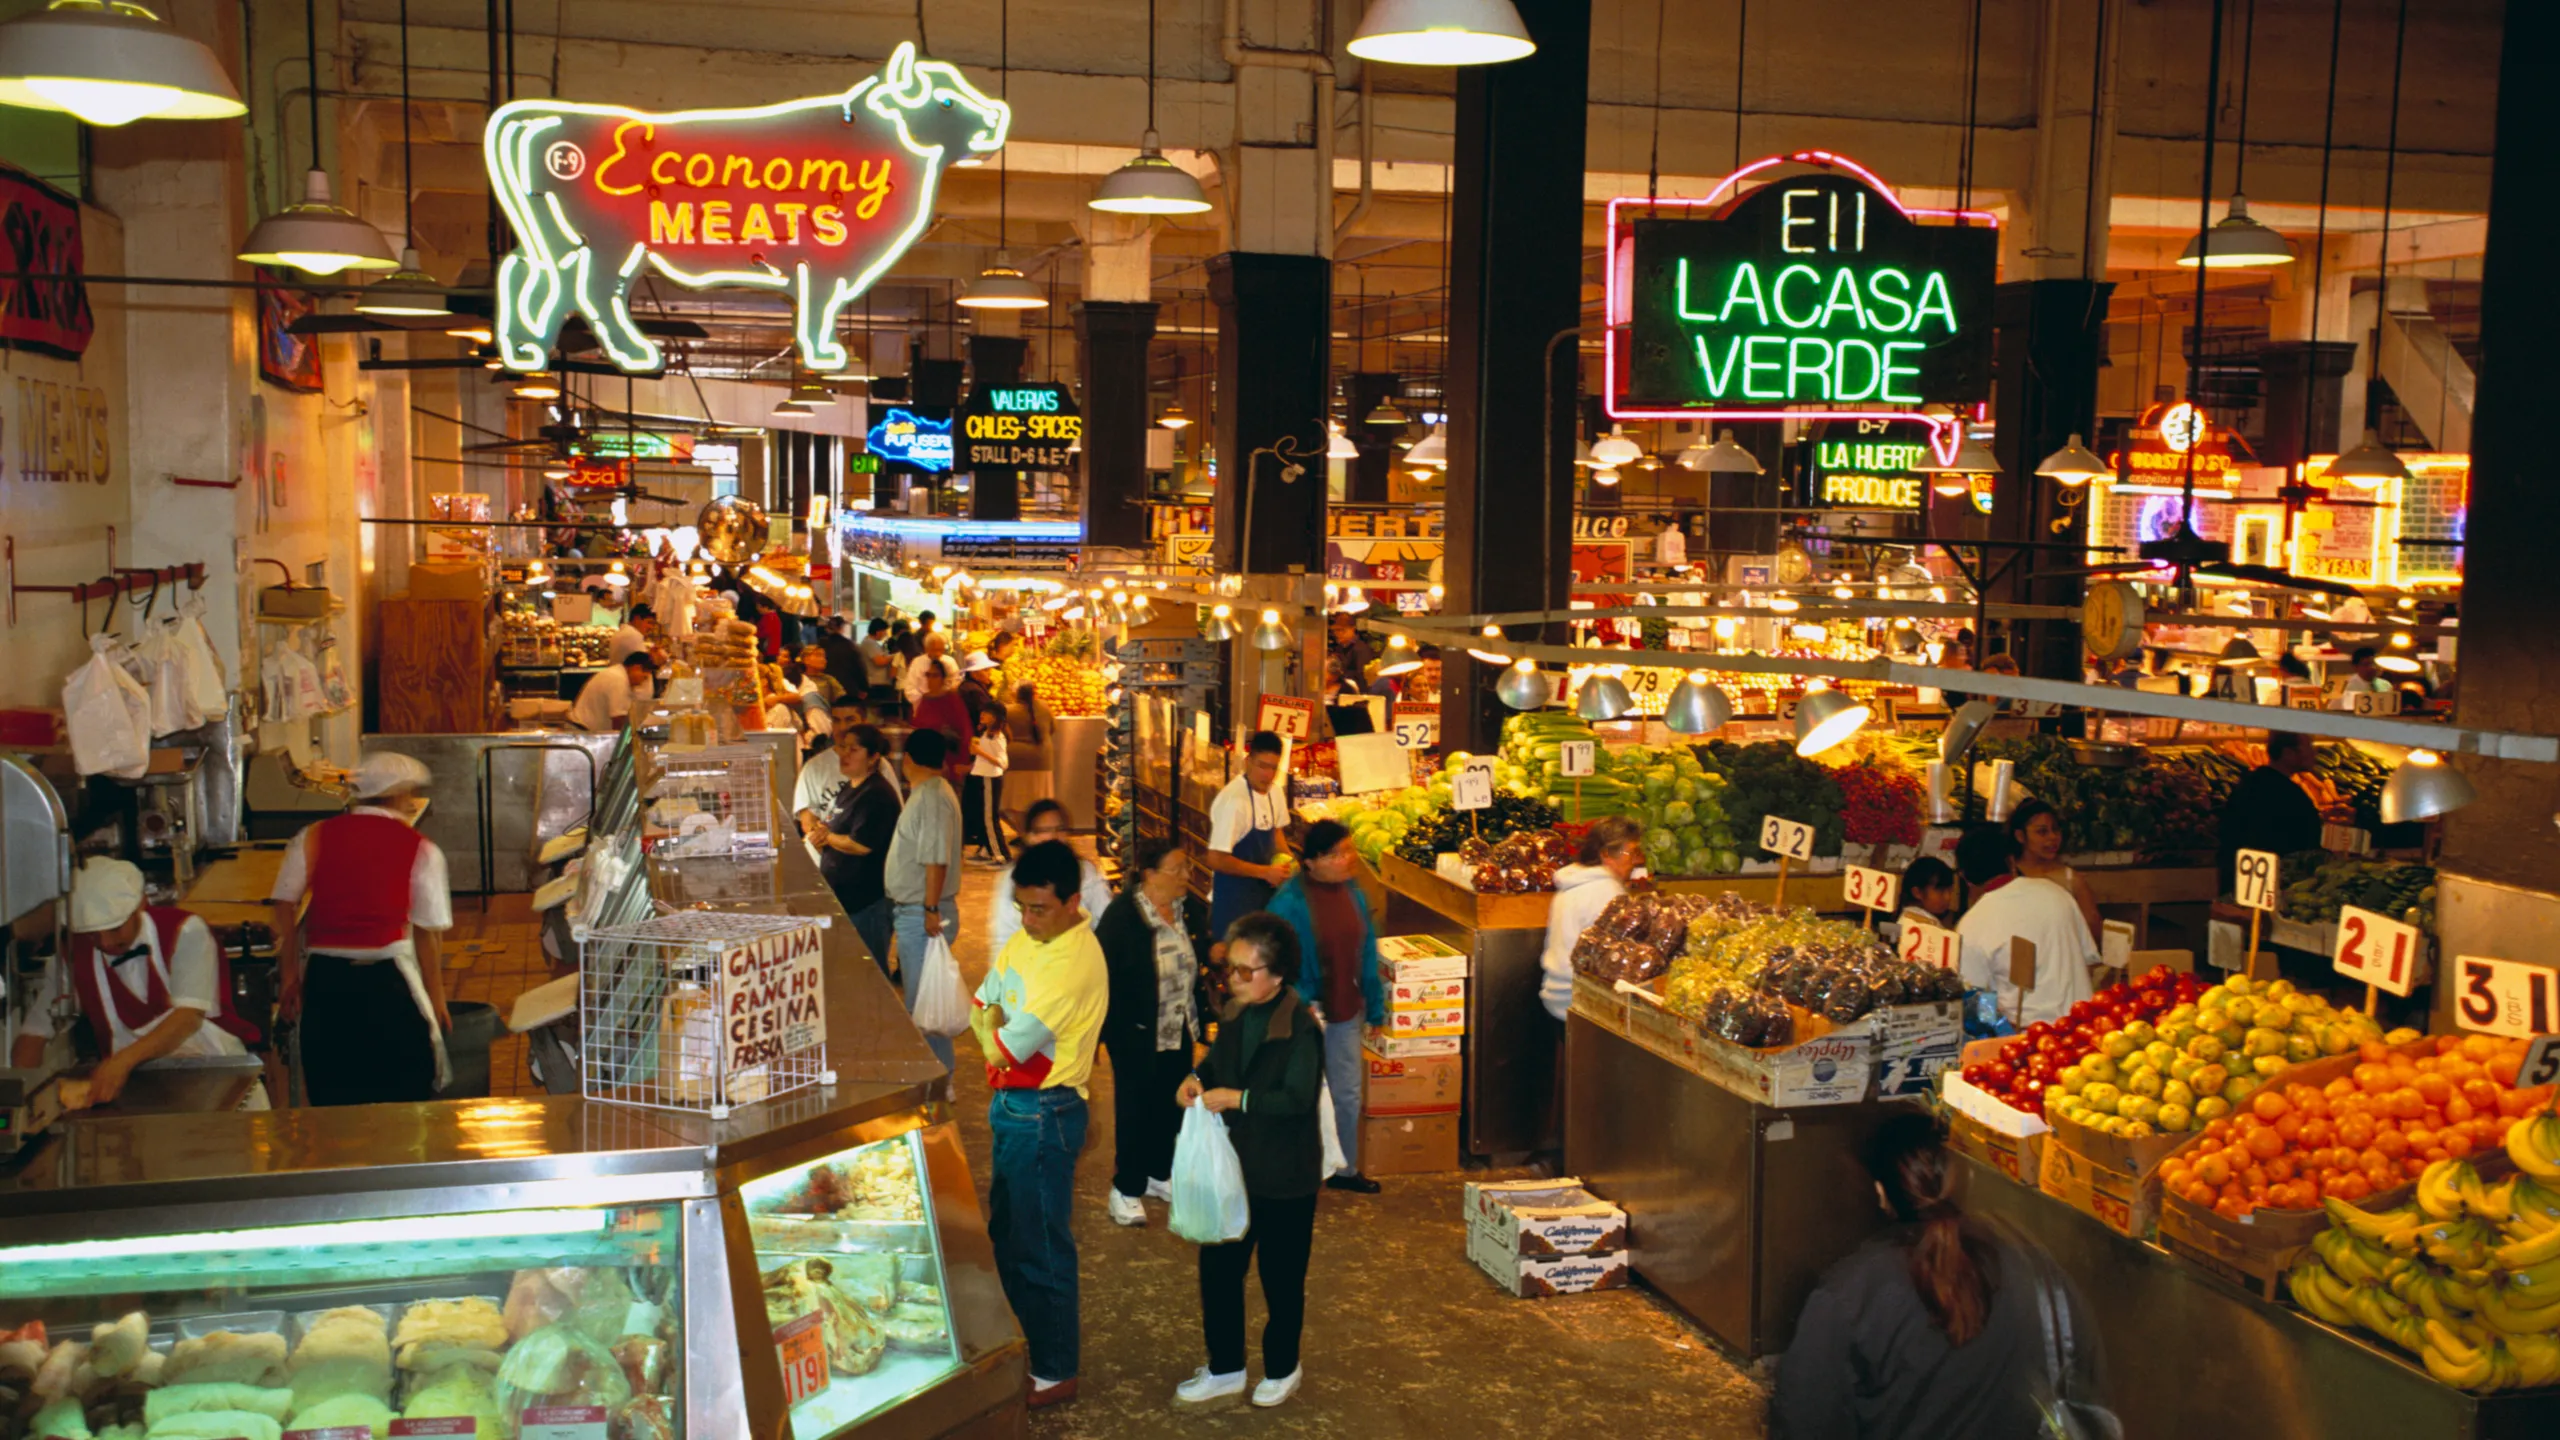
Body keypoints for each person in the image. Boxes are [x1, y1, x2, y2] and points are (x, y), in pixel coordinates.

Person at [1773, 1111, 2104, 1439]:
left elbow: (1805, 1420)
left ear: (1881, 1194)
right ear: (1969, 1178)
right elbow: (2088, 1386)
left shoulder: (1849, 1294)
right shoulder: (2038, 1268)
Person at [971, 840, 1110, 1411]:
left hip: (1046, 1112)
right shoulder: (1032, 941)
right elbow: (982, 1000)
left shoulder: (1073, 961)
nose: (1027, 921)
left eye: (1040, 909)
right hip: (1016, 1108)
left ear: (1074, 901)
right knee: (1010, 1234)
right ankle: (1025, 1344)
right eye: (1022, 907)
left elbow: (1000, 1041)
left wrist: (990, 1034)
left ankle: (1056, 1369)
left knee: (1042, 1245)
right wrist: (991, 1031)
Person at [1174, 912, 1326, 1410]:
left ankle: (1283, 1366)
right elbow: (1217, 1062)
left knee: (1281, 1278)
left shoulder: (1300, 1027)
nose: (1234, 979)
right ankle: (1225, 1367)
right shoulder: (1237, 1014)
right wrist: (1197, 1077)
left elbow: (1297, 1099)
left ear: (1278, 974)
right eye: (1231, 969)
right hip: (1235, 1168)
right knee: (1218, 1268)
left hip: (1285, 1175)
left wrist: (1238, 1099)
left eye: (1246, 971)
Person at [266, 752, 455, 1105]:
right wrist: (437, 997)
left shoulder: (312, 836)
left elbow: (284, 904)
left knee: (334, 1095)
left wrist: (290, 975)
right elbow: (429, 934)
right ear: (399, 796)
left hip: (326, 981)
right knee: (405, 1095)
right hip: (391, 981)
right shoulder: (422, 849)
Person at [12, 857, 268, 1110]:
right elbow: (33, 1035)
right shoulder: (72, 956)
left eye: (114, 929)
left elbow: (187, 1018)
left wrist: (121, 1062)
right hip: (137, 1099)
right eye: (92, 934)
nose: (105, 943)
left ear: (141, 905)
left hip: (222, 1086)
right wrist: (20, 1104)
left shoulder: (186, 931)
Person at [1094, 838, 1212, 1227]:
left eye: (1186, 868)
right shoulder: (1123, 917)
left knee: (1170, 1104)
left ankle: (1158, 1174)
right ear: (1149, 874)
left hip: (1178, 1027)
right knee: (1134, 1108)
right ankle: (1125, 1188)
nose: (1185, 876)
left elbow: (1201, 953)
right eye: (1176, 869)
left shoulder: (1187, 909)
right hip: (1136, 1031)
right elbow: (1103, 978)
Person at [1266, 820, 1387, 1194]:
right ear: (1312, 861)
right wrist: (1294, 1001)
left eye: (1349, 850)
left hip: (1344, 1008)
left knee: (1347, 1092)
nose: (1347, 859)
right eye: (1336, 854)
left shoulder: (1355, 894)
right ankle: (1295, 1169)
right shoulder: (1288, 902)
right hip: (1301, 1012)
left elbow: (1367, 953)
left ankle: (1346, 1170)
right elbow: (1271, 958)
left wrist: (1376, 1007)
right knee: (1300, 1093)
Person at [1952, 823, 2096, 1028]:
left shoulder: (1970, 926)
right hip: (2085, 1027)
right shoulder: (2057, 894)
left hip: (2028, 1039)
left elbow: (1978, 1004)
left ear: (1964, 877)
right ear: (2011, 862)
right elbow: (2089, 959)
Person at [884, 728, 965, 1068]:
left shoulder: (931, 796)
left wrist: (930, 909)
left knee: (925, 1008)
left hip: (923, 914)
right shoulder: (932, 792)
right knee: (924, 1004)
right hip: (919, 912)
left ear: (910, 760)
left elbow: (936, 858)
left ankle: (937, 1083)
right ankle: (935, 1081)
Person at [811, 724, 903, 979]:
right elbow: (837, 826)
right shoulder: (849, 788)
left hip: (866, 902)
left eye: (854, 749)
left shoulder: (876, 794)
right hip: (844, 899)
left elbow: (861, 845)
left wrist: (828, 837)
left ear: (874, 757)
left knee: (870, 973)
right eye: (842, 748)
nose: (845, 755)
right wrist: (823, 834)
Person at [1539, 817, 1643, 1023]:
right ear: (1606, 854)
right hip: (1579, 1000)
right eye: (1630, 853)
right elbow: (1614, 960)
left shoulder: (1573, 881)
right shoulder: (1607, 892)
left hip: (1554, 994)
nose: (1636, 861)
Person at [988, 800, 1114, 960]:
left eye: (1059, 829)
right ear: (1028, 836)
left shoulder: (1085, 872)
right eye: (1044, 831)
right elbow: (1002, 938)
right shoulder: (1011, 878)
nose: (1053, 836)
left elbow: (1106, 921)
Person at [1204, 731, 1293, 937]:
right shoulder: (1234, 801)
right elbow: (1215, 858)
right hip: (1234, 906)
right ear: (1247, 762)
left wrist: (1290, 864)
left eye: (1274, 768)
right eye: (1262, 766)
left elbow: (1275, 832)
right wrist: (1264, 872)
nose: (1268, 775)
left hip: (1264, 904)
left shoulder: (1275, 793)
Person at [2217, 730, 2324, 889]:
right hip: (2272, 884)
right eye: (2308, 747)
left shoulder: (2251, 783)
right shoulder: (2287, 794)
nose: (2314, 753)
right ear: (2288, 753)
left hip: (2242, 881)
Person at [2007, 798, 2103, 946]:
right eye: (2042, 831)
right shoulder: (2005, 872)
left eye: (2056, 829)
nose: (2053, 837)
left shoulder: (2072, 880)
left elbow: (2093, 932)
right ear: (2020, 836)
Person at [910, 655, 975, 792]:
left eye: (935, 676)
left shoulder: (952, 699)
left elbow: (965, 731)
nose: (931, 679)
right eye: (928, 675)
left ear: (942, 678)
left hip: (949, 762)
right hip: (925, 765)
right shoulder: (925, 700)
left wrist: (962, 763)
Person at [1003, 681, 1058, 829]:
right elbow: (1053, 728)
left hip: (1016, 763)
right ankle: (1035, 831)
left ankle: (1023, 832)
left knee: (1012, 803)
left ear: (1016, 694)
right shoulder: (1044, 707)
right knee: (1039, 801)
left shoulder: (1007, 711)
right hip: (1042, 761)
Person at [965, 704, 1011, 864]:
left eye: (987, 713)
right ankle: (986, 849)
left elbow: (1003, 763)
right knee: (980, 816)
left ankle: (1000, 855)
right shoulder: (985, 733)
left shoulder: (997, 737)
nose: (982, 715)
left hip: (990, 778)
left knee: (989, 818)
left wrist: (980, 753)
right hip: (980, 776)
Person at [569, 650, 654, 732]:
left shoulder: (618, 674)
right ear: (636, 668)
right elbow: (619, 720)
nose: (642, 682)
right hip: (583, 731)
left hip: (585, 730)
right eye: (644, 677)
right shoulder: (618, 680)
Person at [1888, 856, 1960, 946]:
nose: (1948, 897)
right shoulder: (1927, 927)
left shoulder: (1903, 919)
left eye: (1950, 890)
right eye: (1940, 891)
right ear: (1917, 892)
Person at [903, 631, 958, 706]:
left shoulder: (950, 661)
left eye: (940, 649)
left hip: (945, 705)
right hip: (922, 705)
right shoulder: (917, 662)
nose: (937, 653)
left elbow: (956, 682)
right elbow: (910, 688)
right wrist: (926, 699)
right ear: (926, 649)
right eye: (934, 650)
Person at [858, 619, 901, 713]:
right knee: (879, 712)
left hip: (878, 683)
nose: (885, 634)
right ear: (878, 631)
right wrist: (896, 655)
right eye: (884, 631)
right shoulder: (869, 643)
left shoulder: (872, 643)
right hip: (876, 684)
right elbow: (880, 661)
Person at [817, 615, 864, 696]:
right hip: (848, 686)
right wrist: (863, 688)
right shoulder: (849, 645)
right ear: (842, 627)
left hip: (825, 686)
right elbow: (858, 667)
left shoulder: (821, 644)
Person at [1326, 612, 1373, 685]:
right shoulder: (1340, 647)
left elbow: (1361, 676)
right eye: (1336, 630)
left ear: (1352, 629)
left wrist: (1338, 675)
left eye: (1342, 630)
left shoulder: (1360, 649)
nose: (1338, 634)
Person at [610, 603, 657, 667]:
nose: (651, 627)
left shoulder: (625, 631)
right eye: (649, 622)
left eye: (653, 624)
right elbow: (643, 666)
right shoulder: (632, 635)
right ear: (637, 619)